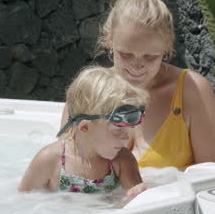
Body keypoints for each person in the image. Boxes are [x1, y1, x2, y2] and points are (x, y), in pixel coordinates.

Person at [61, 0, 215, 170]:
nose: (137, 66)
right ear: (109, 41)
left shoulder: (191, 90)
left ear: (167, 47)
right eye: (126, 54)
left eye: (150, 56)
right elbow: (64, 174)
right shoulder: (87, 93)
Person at [19, 66, 148, 197]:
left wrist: (138, 194)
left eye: (129, 128)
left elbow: (135, 204)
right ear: (85, 127)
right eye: (118, 129)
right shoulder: (49, 160)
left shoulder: (122, 160)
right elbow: (22, 202)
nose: (126, 137)